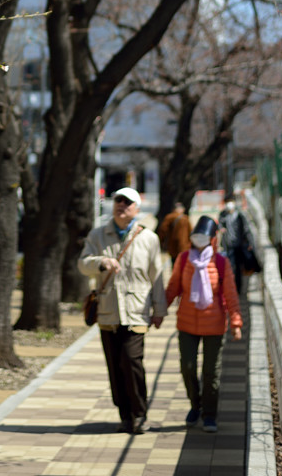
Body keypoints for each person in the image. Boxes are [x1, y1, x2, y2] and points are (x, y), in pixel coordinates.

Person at [78, 186, 167, 435]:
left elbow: (157, 276)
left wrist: (159, 310)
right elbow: (82, 264)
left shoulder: (148, 238)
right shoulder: (98, 235)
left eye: (128, 202)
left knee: (131, 361)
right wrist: (100, 262)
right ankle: (124, 416)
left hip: (137, 311)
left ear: (136, 209)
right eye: (118, 200)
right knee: (115, 367)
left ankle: (140, 413)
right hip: (108, 311)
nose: (122, 205)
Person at [165, 215, 242, 434]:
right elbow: (173, 288)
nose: (200, 240)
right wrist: (159, 312)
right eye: (196, 236)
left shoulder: (220, 262)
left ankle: (209, 414)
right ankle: (195, 405)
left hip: (214, 324)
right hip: (187, 323)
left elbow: (230, 294)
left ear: (212, 238)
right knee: (187, 367)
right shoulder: (183, 259)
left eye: (204, 236)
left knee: (211, 372)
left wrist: (236, 322)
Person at [218, 193, 254, 295]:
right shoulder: (223, 215)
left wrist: (250, 243)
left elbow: (246, 229)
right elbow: (219, 225)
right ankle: (230, 288)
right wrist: (221, 228)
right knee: (229, 268)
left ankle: (238, 289)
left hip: (238, 246)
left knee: (238, 268)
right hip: (227, 246)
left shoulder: (240, 215)